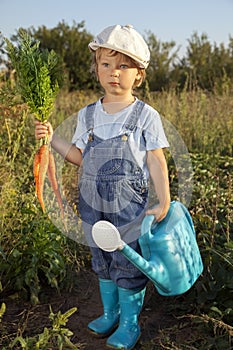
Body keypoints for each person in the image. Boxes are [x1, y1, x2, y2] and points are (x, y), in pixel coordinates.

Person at [35, 24, 170, 350]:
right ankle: (110, 313)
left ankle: (128, 322)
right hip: (92, 203)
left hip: (128, 206)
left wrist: (163, 200)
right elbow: (80, 158)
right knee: (102, 259)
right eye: (106, 64)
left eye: (124, 65)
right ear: (96, 68)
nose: (114, 73)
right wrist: (52, 139)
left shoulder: (145, 116)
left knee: (126, 260)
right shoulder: (88, 115)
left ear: (138, 74)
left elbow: (155, 160)